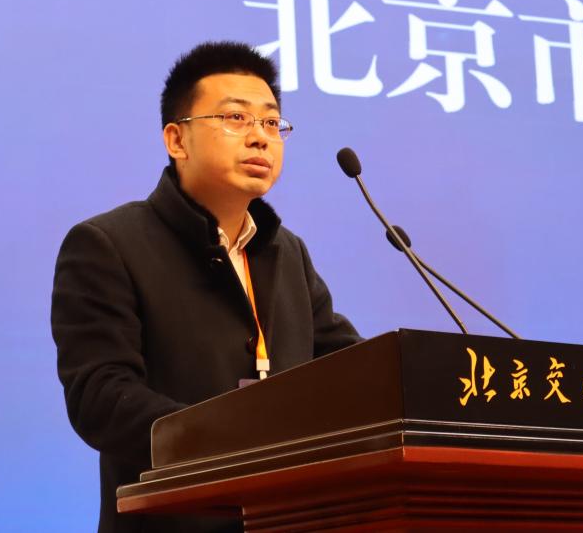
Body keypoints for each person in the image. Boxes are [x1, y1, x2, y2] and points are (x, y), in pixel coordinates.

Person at [51, 41, 360, 533]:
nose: (260, 138)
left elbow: (352, 370)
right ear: (177, 140)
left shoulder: (287, 253)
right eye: (236, 118)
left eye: (271, 123)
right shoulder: (108, 244)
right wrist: (227, 441)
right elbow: (101, 399)